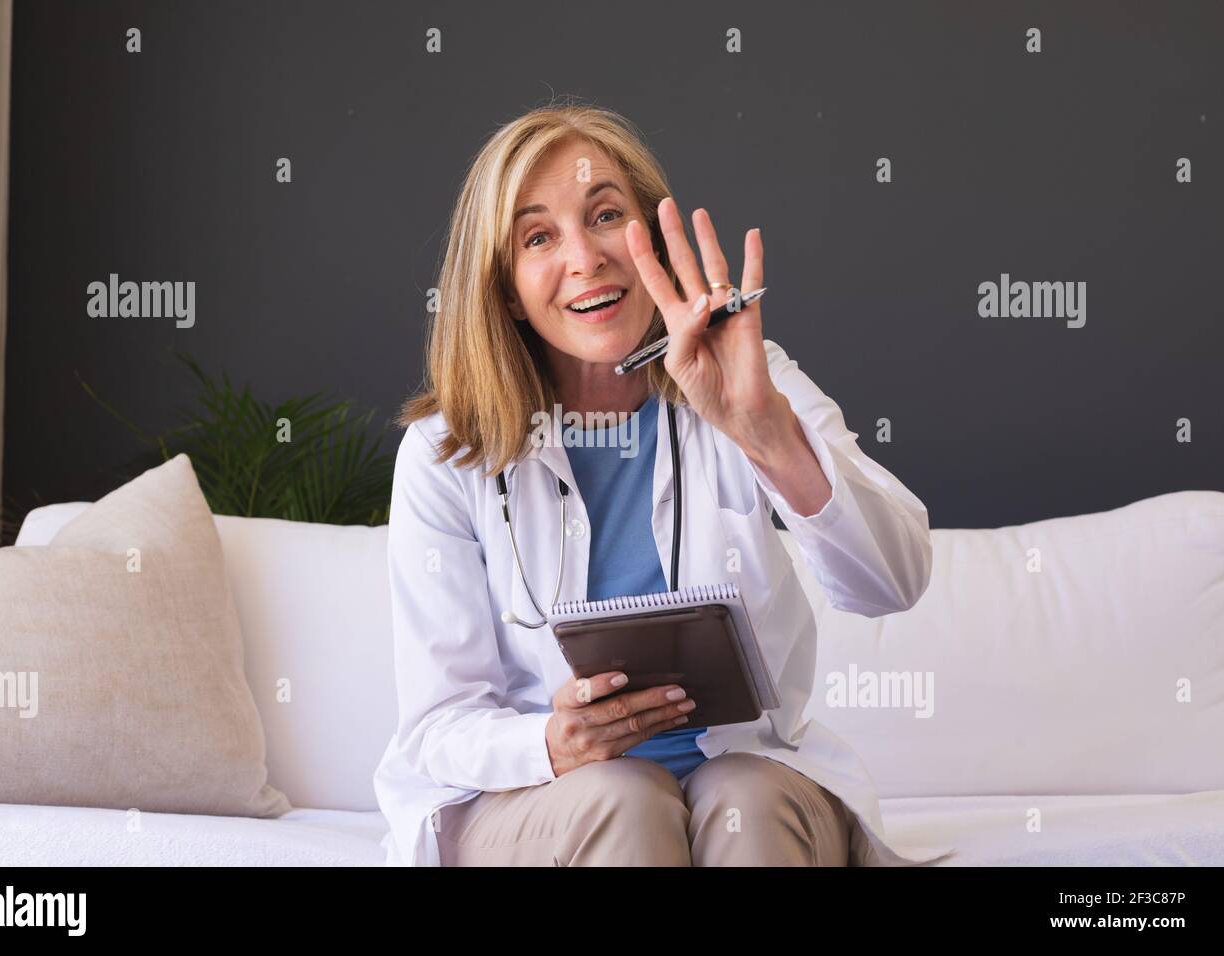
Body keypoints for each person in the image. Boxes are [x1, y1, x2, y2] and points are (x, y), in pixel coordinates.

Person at [373, 101, 955, 867]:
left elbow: (894, 580)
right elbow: (439, 725)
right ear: (508, 288)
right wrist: (551, 742)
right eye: (539, 236)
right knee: (626, 796)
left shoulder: (752, 376)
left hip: (745, 784)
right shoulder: (445, 453)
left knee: (744, 797)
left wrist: (762, 431)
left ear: (652, 234)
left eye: (605, 214)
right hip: (540, 802)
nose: (586, 258)